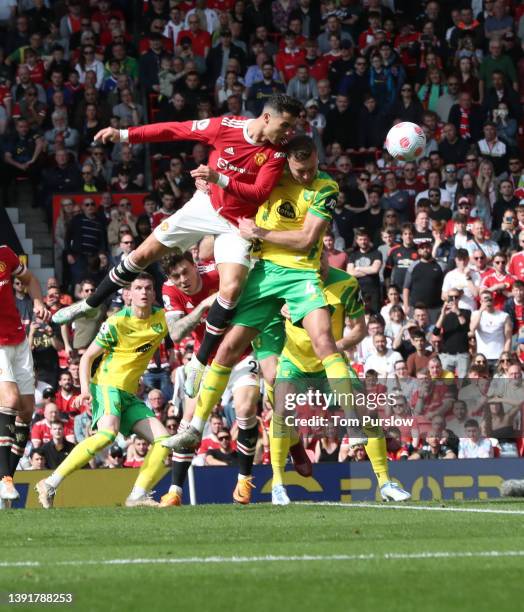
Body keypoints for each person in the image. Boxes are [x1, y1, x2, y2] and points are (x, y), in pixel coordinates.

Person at [53, 94, 302, 399]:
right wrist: (123, 134)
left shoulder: (277, 152)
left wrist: (218, 178)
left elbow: (259, 193)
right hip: (205, 206)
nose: (289, 132)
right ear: (267, 118)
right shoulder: (225, 126)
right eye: (286, 125)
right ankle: (88, 304)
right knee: (141, 254)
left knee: (232, 288)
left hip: (236, 224)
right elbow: (176, 129)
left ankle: (198, 362)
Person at [164, 135, 366, 455]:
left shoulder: (326, 187)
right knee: (227, 348)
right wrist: (210, 187)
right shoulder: (269, 177)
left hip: (301, 273)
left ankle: (353, 424)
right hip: (264, 275)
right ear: (287, 162)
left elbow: (306, 239)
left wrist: (260, 233)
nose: (307, 175)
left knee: (324, 340)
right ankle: (194, 428)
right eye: (301, 170)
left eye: (312, 168)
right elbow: (234, 183)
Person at [270, 256, 409, 504]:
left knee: (366, 411)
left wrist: (336, 346)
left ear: (325, 256)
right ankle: (278, 486)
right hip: (295, 363)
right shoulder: (285, 279)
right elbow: (262, 309)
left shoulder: (346, 283)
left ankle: (386, 483)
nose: (316, 265)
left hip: (330, 363)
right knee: (281, 412)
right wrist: (276, 308)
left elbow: (359, 328)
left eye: (320, 257)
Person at [35, 274, 172, 509]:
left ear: (154, 293)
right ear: (128, 293)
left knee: (164, 441)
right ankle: (50, 483)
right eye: (138, 288)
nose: (143, 292)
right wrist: (86, 390)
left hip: (130, 394)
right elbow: (87, 357)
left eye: (148, 288)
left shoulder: (162, 319)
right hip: (107, 385)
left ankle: (138, 495)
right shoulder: (116, 322)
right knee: (108, 434)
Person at [0, 246, 50, 506]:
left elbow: (29, 279)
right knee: (10, 400)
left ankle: (5, 475)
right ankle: (4, 479)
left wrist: (38, 301)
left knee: (27, 410)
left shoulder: (5, 254)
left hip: (18, 340)